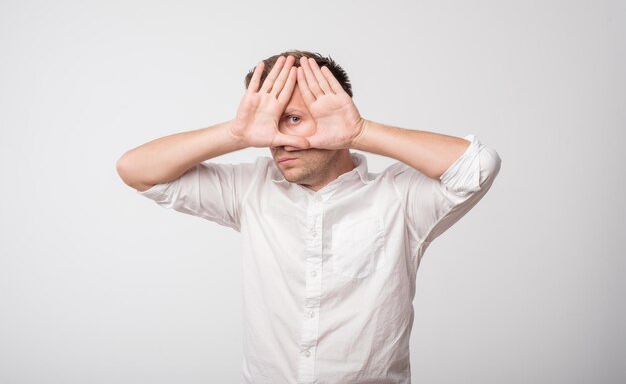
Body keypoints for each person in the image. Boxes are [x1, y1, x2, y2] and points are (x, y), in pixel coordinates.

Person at [116, 50, 502, 384]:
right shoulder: (249, 189)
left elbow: (478, 166)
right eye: (268, 121)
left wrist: (361, 131)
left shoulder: (400, 197)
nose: (277, 137)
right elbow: (136, 170)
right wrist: (236, 133)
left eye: (294, 119)